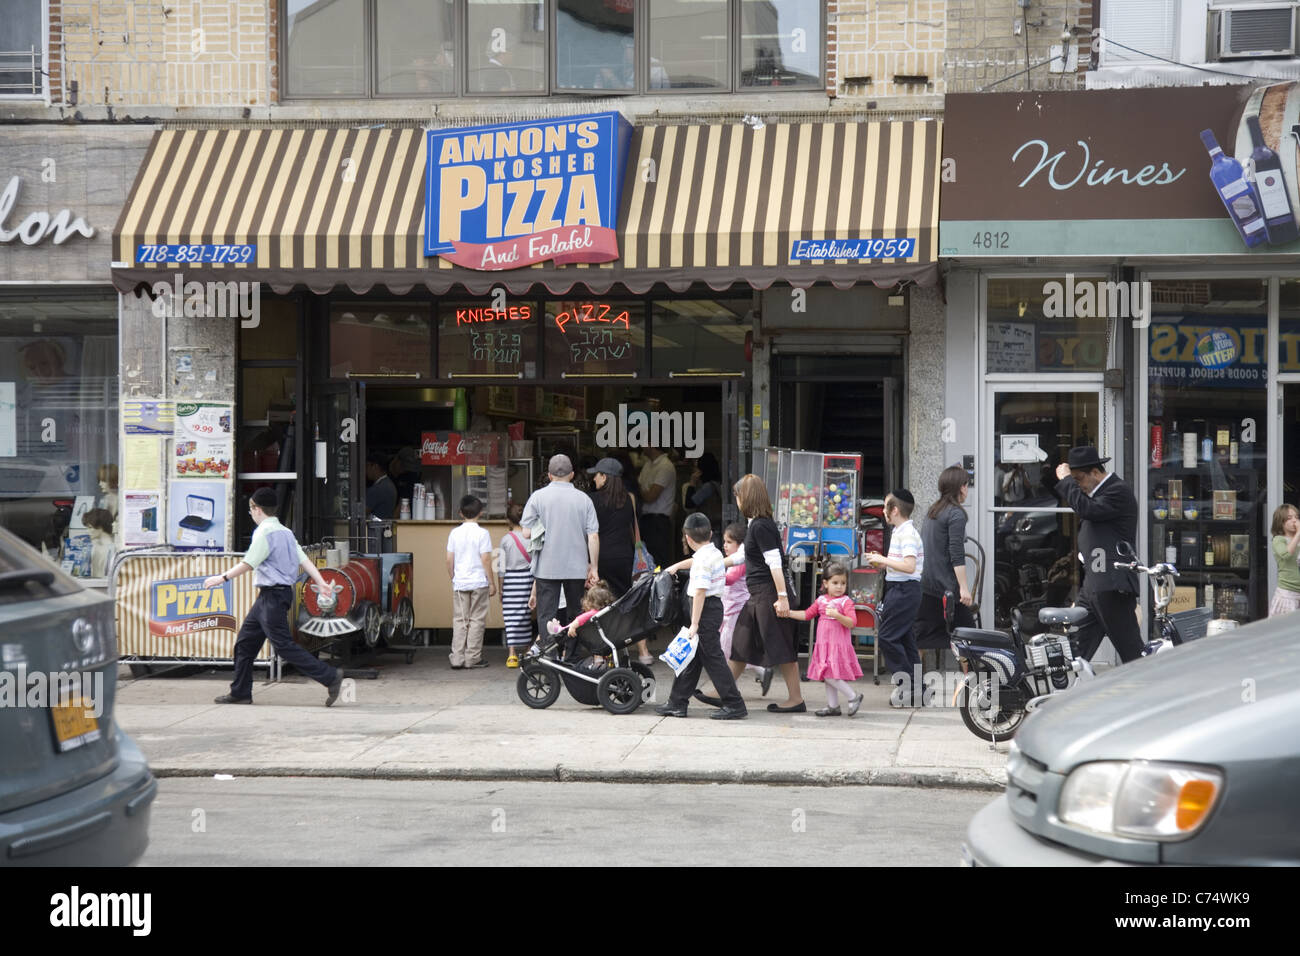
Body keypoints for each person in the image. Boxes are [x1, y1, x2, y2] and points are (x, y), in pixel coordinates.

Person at [207, 487, 344, 706]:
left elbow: (248, 563)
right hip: (272, 597)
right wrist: (321, 582)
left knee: (283, 646)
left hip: (272, 597)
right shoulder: (286, 532)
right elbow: (304, 560)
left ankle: (330, 677)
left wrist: (221, 578)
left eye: (251, 508)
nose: (250, 513)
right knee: (245, 643)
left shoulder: (263, 532)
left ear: (257, 509)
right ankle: (240, 692)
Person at [1053, 445, 1142, 662]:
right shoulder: (1098, 494)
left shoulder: (1117, 491)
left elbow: (1086, 510)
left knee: (1132, 652)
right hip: (1094, 585)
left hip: (1112, 584)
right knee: (1074, 651)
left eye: (1079, 479)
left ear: (1095, 473)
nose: (1078, 485)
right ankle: (1064, 690)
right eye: (1073, 481)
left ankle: (1150, 691)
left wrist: (1065, 480)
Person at [655, 513, 747, 720]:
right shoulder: (712, 553)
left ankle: (734, 704)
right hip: (709, 610)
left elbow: (699, 592)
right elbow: (695, 561)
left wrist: (695, 623)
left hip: (704, 611)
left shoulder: (704, 561)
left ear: (687, 538)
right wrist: (677, 566)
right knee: (692, 658)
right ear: (711, 534)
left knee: (713, 658)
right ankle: (677, 702)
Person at [727, 473, 804, 713]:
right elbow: (743, 557)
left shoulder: (761, 526)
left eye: (738, 496)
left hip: (768, 594)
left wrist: (782, 598)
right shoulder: (756, 524)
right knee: (741, 643)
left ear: (746, 498)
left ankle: (796, 699)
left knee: (781, 647)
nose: (737, 502)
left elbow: (774, 563)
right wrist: (713, 564)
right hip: (759, 594)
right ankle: (724, 691)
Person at [520, 454, 600, 632]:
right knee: (576, 613)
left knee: (546, 614)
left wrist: (544, 526)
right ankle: (573, 657)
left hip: (546, 567)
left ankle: (549, 655)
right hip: (576, 567)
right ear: (572, 474)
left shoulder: (537, 497)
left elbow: (526, 532)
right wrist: (593, 567)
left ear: (549, 475)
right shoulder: (584, 499)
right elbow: (593, 536)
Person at [588, 457, 652, 664]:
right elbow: (634, 530)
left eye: (596, 475)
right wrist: (639, 553)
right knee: (630, 603)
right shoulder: (630, 498)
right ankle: (643, 652)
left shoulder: (592, 500)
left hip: (602, 557)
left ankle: (599, 655)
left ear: (604, 477)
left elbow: (591, 534)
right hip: (625, 557)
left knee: (599, 604)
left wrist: (591, 564)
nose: (594, 479)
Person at [865, 490, 925, 706]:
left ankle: (907, 683)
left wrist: (883, 560)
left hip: (903, 591)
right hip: (902, 590)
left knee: (888, 637)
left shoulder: (906, 534)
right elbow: (905, 565)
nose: (882, 512)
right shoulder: (902, 531)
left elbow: (909, 566)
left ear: (895, 510)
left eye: (885, 507)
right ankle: (918, 689)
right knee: (905, 638)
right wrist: (882, 562)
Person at [782, 562, 863, 717]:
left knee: (828, 674)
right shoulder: (821, 601)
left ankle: (853, 696)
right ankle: (833, 706)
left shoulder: (846, 601)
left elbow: (852, 622)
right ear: (825, 583)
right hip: (823, 646)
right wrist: (789, 613)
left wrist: (837, 615)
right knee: (828, 676)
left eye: (843, 583)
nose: (839, 587)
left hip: (838, 646)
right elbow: (807, 614)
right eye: (835, 583)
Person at [913, 465, 975, 650]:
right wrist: (964, 588)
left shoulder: (934, 510)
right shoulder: (956, 514)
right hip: (946, 590)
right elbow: (956, 553)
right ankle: (969, 678)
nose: (967, 490)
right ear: (961, 487)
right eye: (967, 485)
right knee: (968, 638)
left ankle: (913, 677)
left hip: (926, 585)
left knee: (921, 638)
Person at [446, 495, 495, 669]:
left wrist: (454, 577)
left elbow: (449, 559)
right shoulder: (483, 534)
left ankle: (457, 658)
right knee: (476, 620)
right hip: (479, 582)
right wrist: (492, 582)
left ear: (460, 513)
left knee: (460, 620)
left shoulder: (454, 533)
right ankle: (472, 657)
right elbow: (486, 560)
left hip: (460, 583)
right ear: (480, 513)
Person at [498, 502, 534, 667]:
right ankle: (527, 650)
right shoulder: (531, 537)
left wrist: (500, 589)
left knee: (510, 618)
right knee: (525, 616)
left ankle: (512, 654)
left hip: (510, 581)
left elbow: (500, 568)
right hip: (528, 580)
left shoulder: (505, 540)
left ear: (508, 520)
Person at [638, 446, 676, 567]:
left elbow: (651, 496)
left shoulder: (665, 466)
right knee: (645, 559)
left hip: (658, 521)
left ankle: (660, 585)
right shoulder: (648, 464)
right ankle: (649, 585)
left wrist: (640, 492)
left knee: (659, 560)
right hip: (645, 519)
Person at [683, 452, 723, 543]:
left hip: (710, 530)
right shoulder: (716, 483)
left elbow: (689, 504)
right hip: (716, 528)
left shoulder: (708, 487)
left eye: (697, 468)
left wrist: (692, 483)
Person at [1269, 504, 1300, 616]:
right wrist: (1298, 533)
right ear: (1281, 522)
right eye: (1289, 518)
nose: (1294, 521)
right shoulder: (1279, 540)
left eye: (1296, 517)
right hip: (1288, 595)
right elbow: (1286, 554)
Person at [365, 452, 397, 519]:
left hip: (376, 527)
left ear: (375, 466)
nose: (366, 470)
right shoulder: (390, 484)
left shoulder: (377, 489)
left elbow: (361, 513)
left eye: (367, 466)